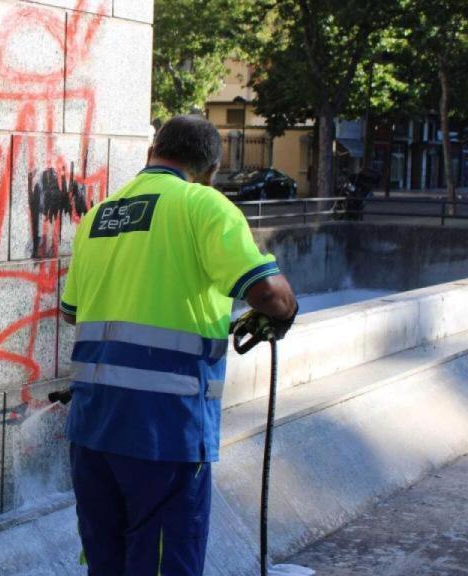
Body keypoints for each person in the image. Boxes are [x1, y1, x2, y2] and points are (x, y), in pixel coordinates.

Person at [59, 115, 298, 575]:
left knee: (106, 564)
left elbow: (72, 311)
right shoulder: (203, 205)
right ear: (209, 170)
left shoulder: (99, 215)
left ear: (153, 151)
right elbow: (268, 293)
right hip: (164, 432)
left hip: (92, 429)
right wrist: (286, 312)